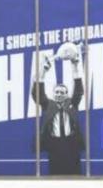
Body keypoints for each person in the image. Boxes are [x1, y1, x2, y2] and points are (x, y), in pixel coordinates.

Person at [31, 42, 85, 175]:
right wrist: (42, 72)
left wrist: (75, 66)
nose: (59, 94)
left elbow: (79, 90)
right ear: (54, 94)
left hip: (71, 145)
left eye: (62, 92)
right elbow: (36, 94)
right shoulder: (48, 105)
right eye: (57, 92)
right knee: (55, 176)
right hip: (54, 146)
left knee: (75, 176)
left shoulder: (72, 104)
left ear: (66, 95)